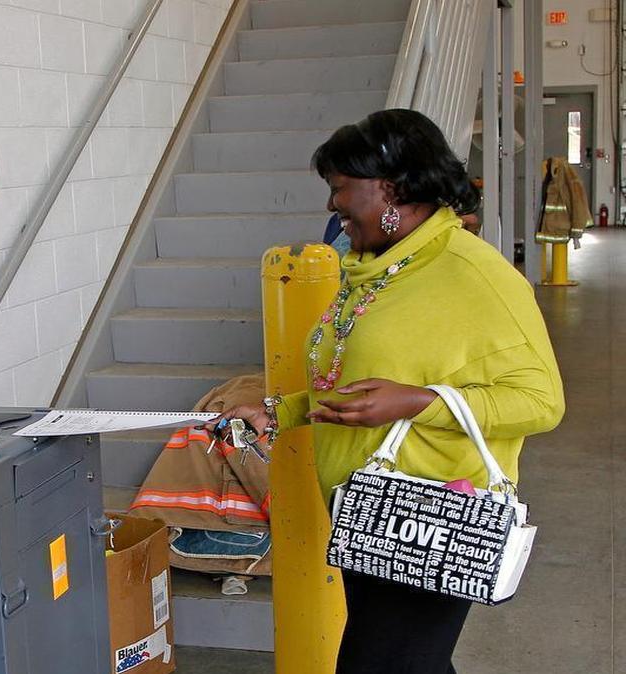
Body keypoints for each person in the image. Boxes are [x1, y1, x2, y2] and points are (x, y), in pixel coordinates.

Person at [220, 108, 564, 674]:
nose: (332, 205)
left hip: (434, 519)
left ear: (391, 188)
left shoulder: (471, 274)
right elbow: (356, 383)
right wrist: (284, 410)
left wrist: (419, 402)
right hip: (368, 515)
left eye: (340, 189)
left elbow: (542, 401)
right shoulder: (373, 269)